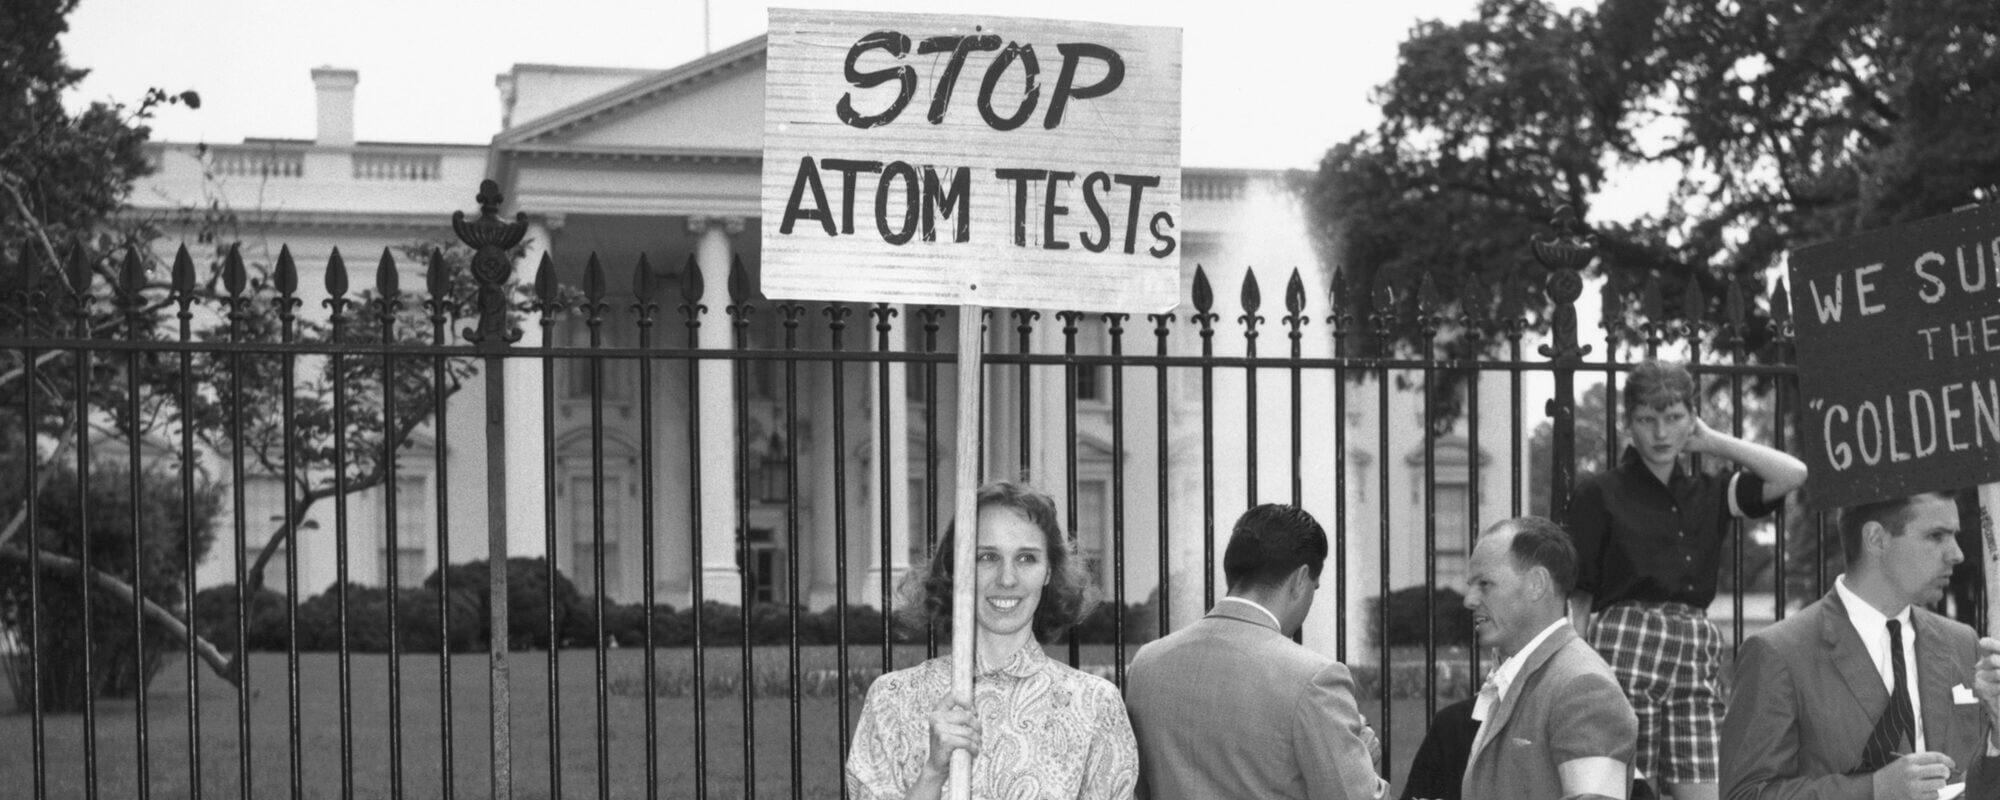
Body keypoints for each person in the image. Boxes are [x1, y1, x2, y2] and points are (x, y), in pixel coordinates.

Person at [1568, 360, 1808, 800]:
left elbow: (1793, 474)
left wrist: (1711, 439)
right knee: (1625, 787)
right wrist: (1578, 675)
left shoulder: (1710, 492)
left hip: (1695, 644)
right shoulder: (1600, 491)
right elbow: (1579, 596)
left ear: (1691, 418)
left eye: (1674, 418)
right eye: (1647, 420)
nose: (1661, 434)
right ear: (1628, 423)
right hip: (1626, 640)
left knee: (1707, 790)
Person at [844, 480, 1138, 800]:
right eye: (987, 557)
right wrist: (932, 773)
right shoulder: (892, 700)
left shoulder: (1095, 706)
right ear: (957, 569)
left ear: (1049, 572)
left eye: (1026, 558)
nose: (1007, 579)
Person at [1720, 491, 2000, 800]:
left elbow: (1980, 788)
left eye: (1954, 536)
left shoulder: (1962, 643)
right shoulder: (1778, 653)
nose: (1957, 554)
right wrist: (1873, 790)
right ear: (1876, 538)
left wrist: (1996, 740)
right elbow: (1744, 795)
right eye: (1936, 536)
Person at [1124, 503, 1387, 800]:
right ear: (1301, 580)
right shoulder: (1314, 678)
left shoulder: (1147, 663)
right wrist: (1361, 759)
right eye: (1316, 586)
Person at [1462, 516, 1638, 800]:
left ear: (1536, 584)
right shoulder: (1524, 677)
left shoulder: (1585, 687)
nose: (1468, 599)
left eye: (1484, 584)